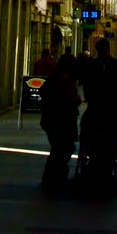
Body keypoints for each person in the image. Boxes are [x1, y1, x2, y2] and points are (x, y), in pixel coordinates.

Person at [78, 38, 117, 194]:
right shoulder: (115, 65)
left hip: (97, 112)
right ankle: (105, 172)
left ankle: (95, 170)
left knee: (93, 143)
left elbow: (87, 85)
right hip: (108, 113)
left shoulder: (93, 65)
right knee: (108, 145)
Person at [39, 53, 80, 195]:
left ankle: (52, 179)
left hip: (52, 121)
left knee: (59, 149)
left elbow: (43, 92)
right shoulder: (64, 80)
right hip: (61, 122)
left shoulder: (54, 78)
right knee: (63, 149)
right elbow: (71, 100)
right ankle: (55, 180)